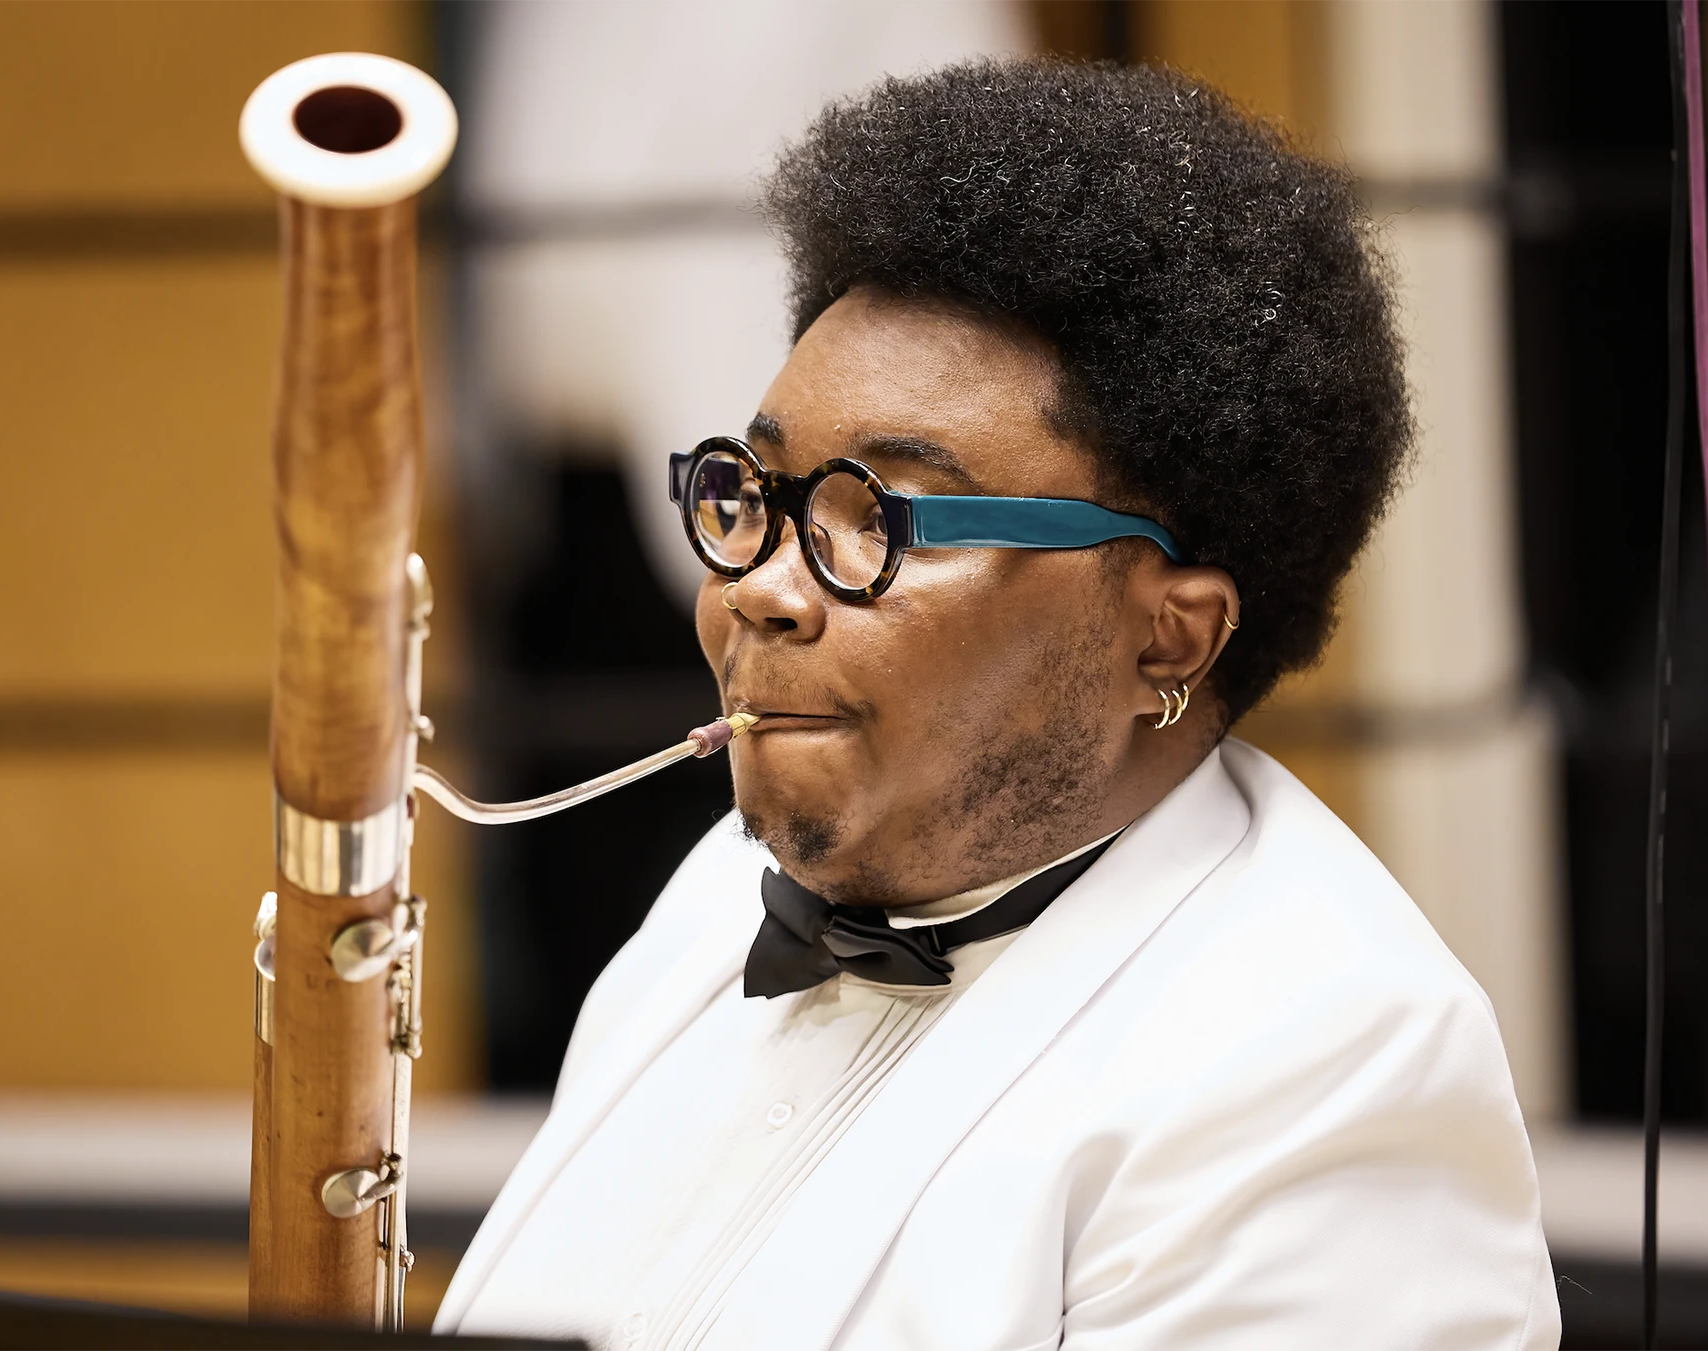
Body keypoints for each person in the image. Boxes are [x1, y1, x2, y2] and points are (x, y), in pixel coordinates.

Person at [436, 57, 1558, 1350]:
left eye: (885, 519)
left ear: (1166, 634)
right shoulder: (705, 902)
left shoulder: (1332, 1071)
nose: (762, 591)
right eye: (756, 493)